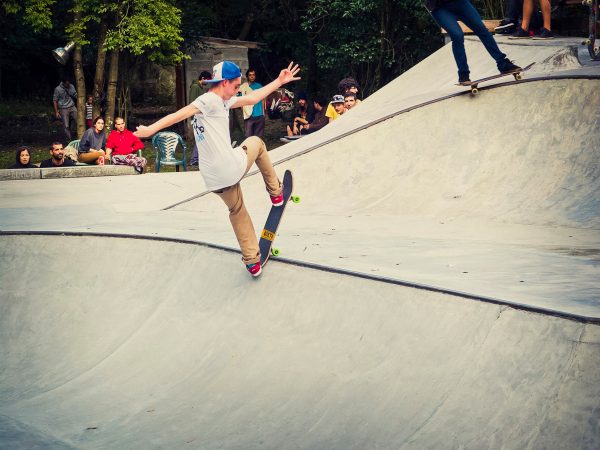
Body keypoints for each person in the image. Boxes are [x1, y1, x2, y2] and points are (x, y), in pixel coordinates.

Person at [134, 60, 300, 277]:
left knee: (237, 209)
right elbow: (178, 115)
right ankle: (276, 193)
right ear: (224, 83)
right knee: (257, 143)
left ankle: (252, 261)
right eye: (235, 85)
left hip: (213, 178)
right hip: (229, 166)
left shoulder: (223, 100)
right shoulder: (209, 100)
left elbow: (252, 98)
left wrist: (279, 81)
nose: (237, 89)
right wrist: (150, 130)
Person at [424, 0, 522, 85]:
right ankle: (463, 75)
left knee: (482, 30)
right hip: (439, 8)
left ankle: (503, 64)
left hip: (459, 3)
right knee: (457, 36)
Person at [189, 71, 212, 166]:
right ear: (203, 78)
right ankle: (194, 159)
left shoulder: (201, 88)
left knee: (203, 137)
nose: (208, 82)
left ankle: (199, 158)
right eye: (208, 80)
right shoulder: (195, 87)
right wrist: (193, 117)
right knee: (201, 137)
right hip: (197, 117)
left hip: (202, 117)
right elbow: (192, 102)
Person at [239, 68, 266, 138]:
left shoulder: (259, 86)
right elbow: (241, 101)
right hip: (249, 116)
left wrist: (263, 113)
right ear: (247, 76)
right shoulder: (243, 87)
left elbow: (263, 100)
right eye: (250, 75)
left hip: (259, 115)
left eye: (253, 75)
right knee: (248, 137)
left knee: (258, 138)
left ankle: (258, 149)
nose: (252, 76)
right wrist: (244, 112)